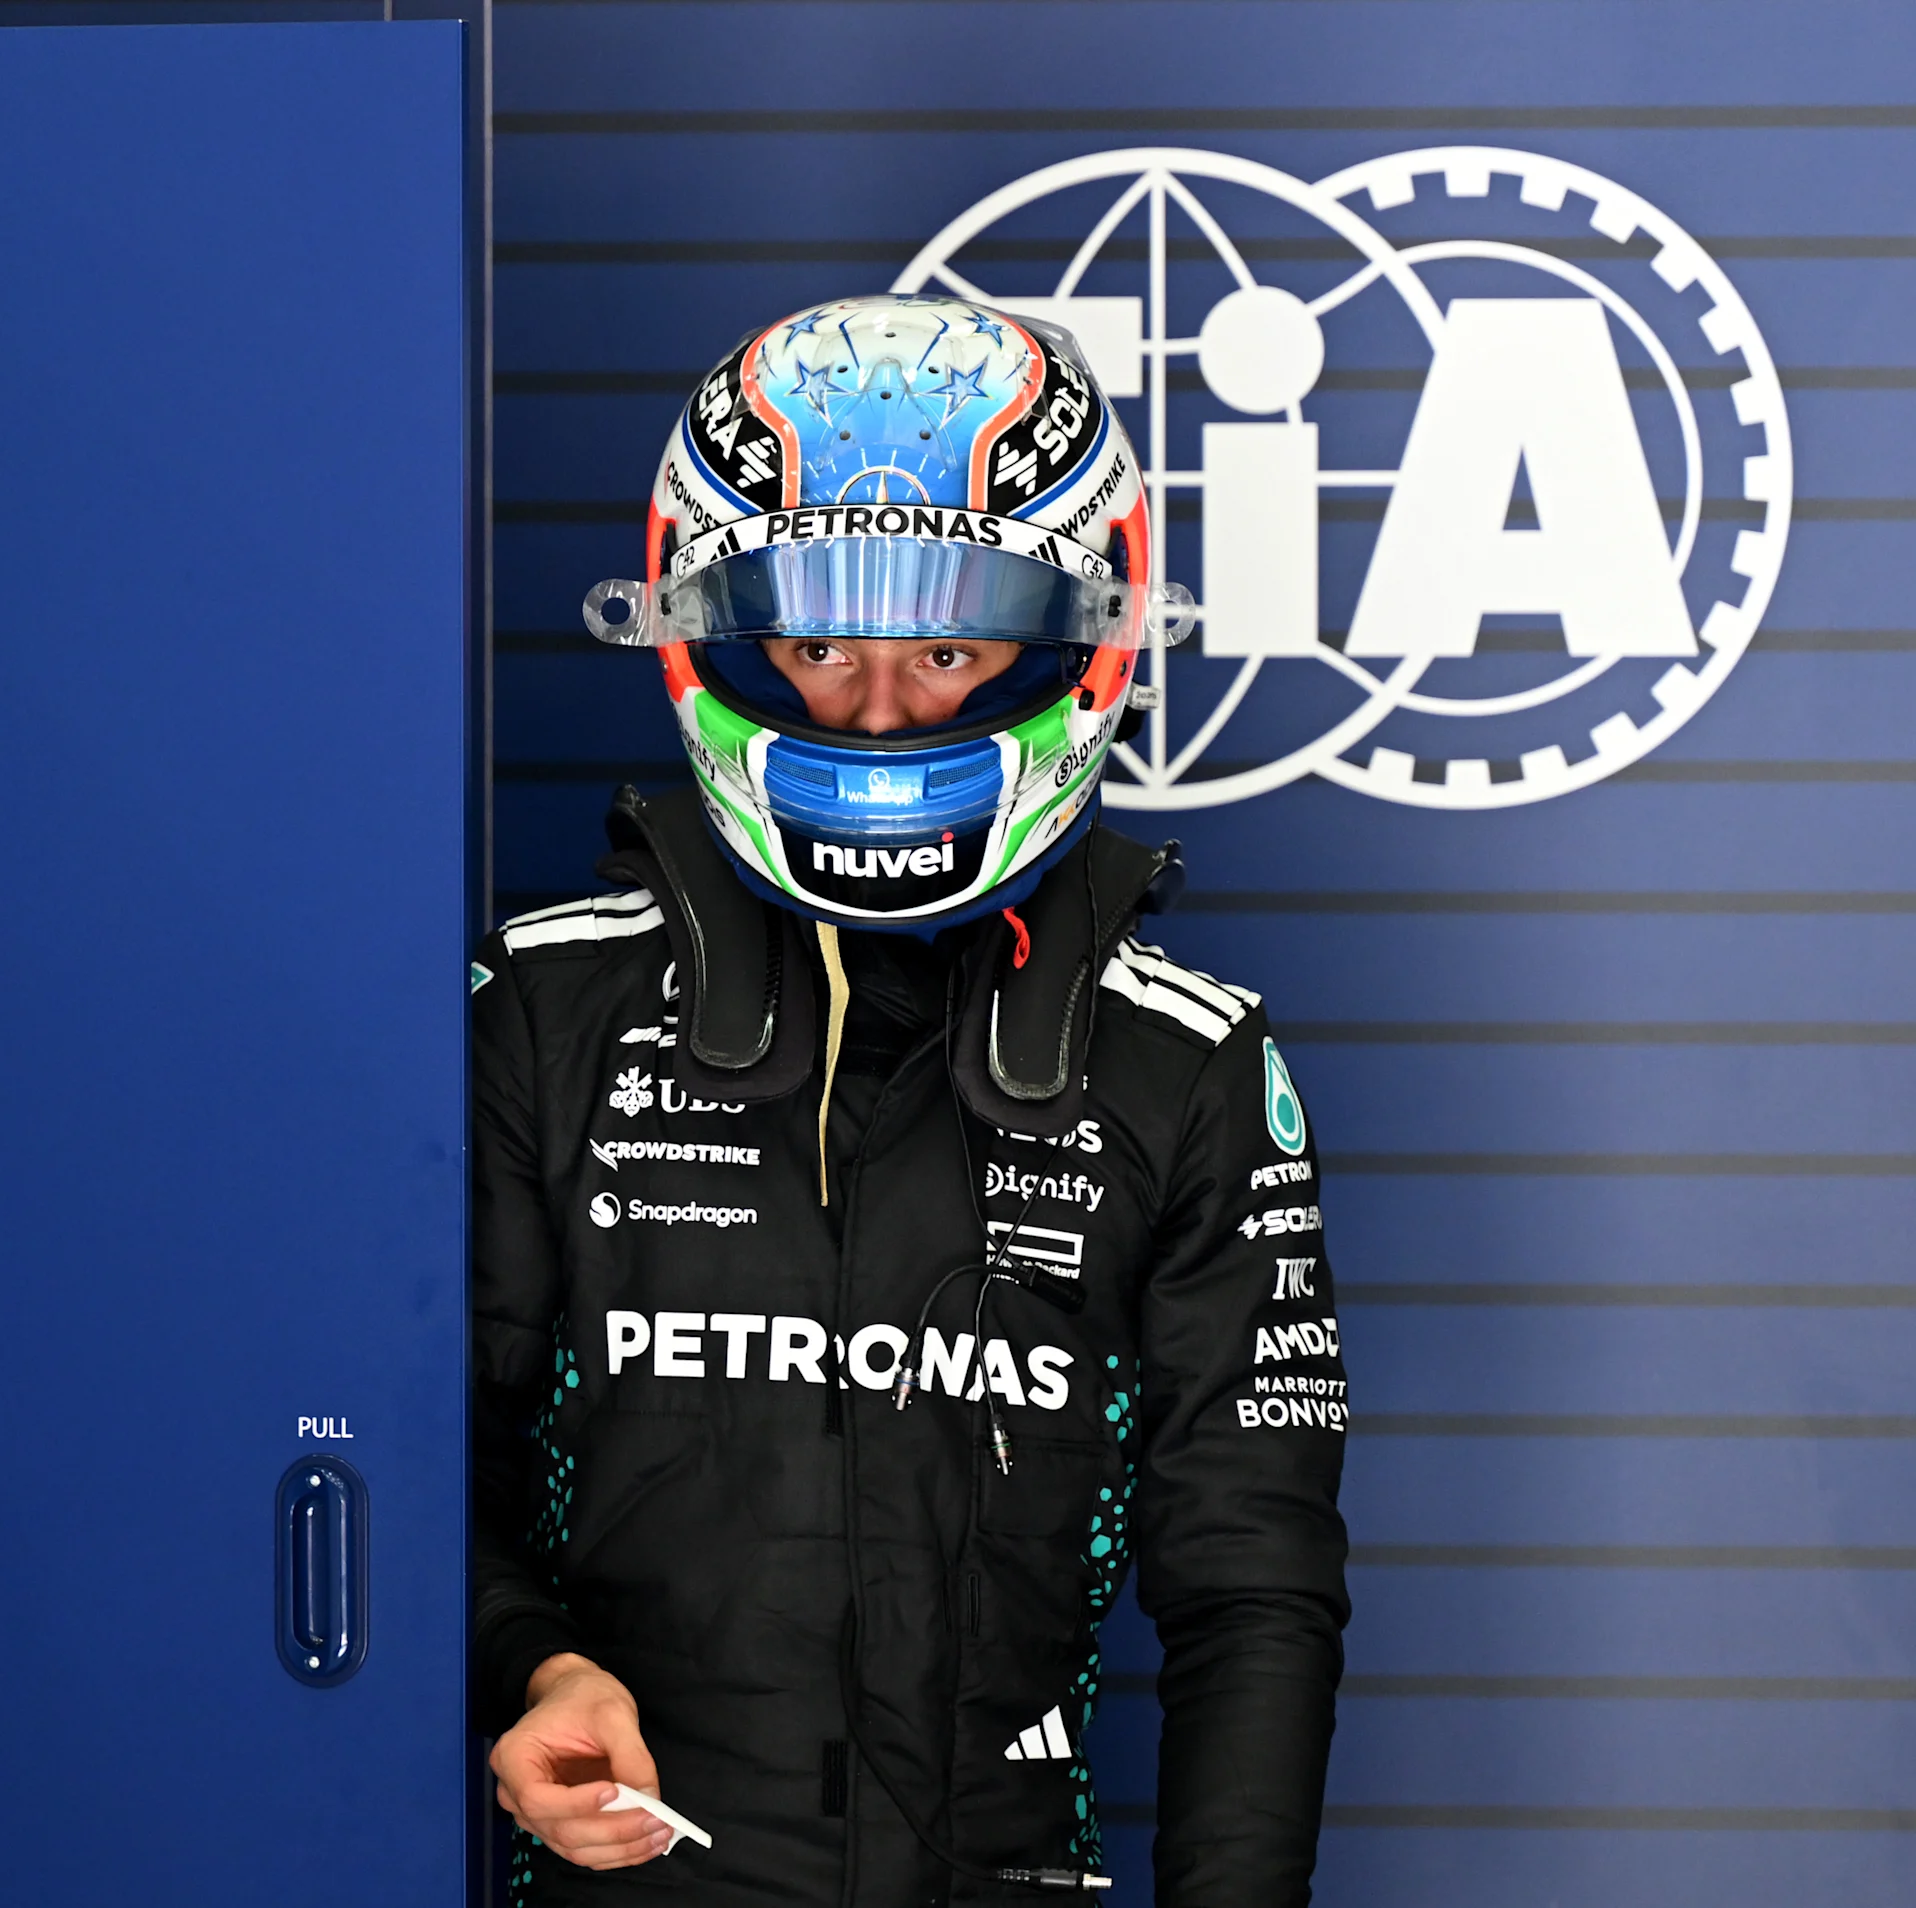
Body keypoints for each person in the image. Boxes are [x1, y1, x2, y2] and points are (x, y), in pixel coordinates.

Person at [469, 294, 1350, 1906]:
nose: (879, 709)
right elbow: (398, 1457)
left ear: (1086, 639)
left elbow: (1252, 1583)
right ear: (708, 634)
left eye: (948, 647)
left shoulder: (1189, 1060)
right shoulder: (542, 1009)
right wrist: (527, 1673)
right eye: (817, 642)